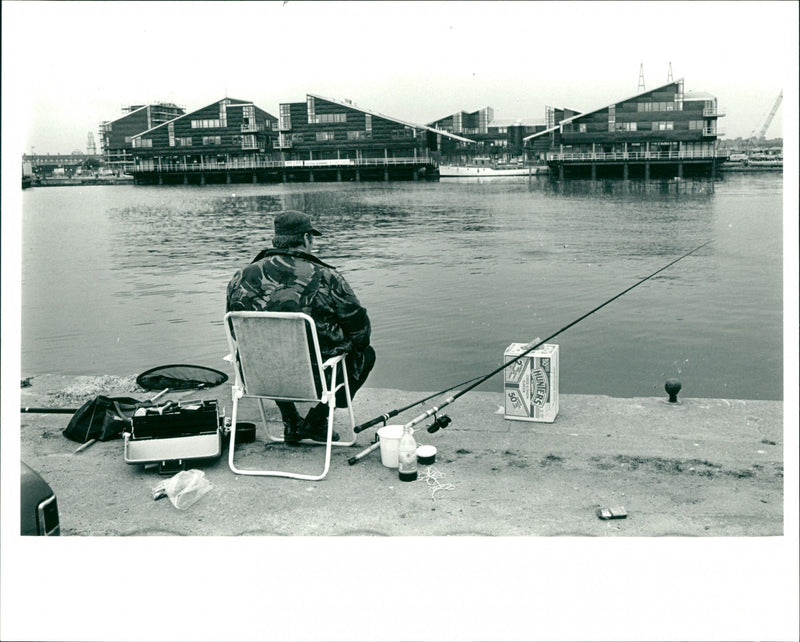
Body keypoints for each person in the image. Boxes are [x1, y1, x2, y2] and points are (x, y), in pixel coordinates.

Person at [226, 210, 376, 444]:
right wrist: (345, 344)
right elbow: (360, 330)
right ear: (306, 238)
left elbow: (236, 331)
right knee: (366, 354)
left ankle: (291, 421)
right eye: (311, 239)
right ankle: (315, 421)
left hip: (258, 376)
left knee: (270, 348)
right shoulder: (327, 276)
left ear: (276, 239)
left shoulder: (240, 277)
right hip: (316, 378)